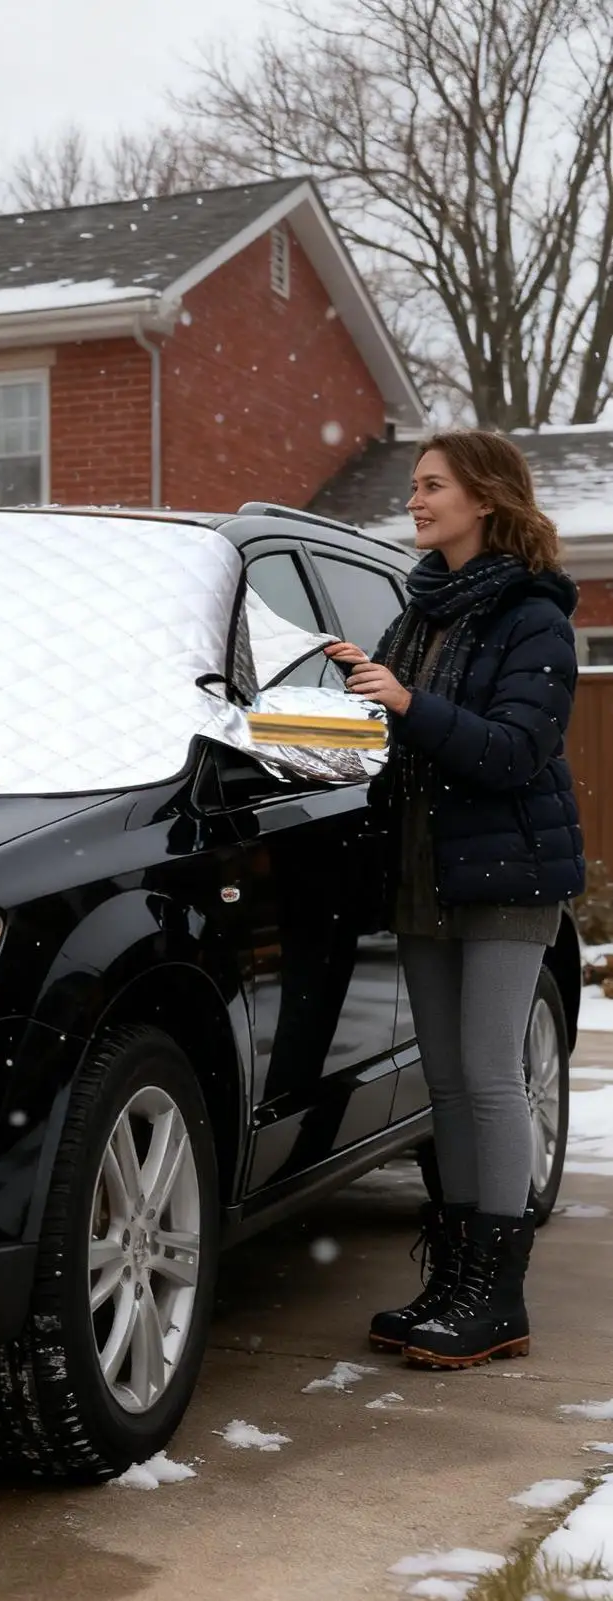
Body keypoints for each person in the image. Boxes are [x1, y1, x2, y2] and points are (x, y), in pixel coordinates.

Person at [324, 428, 583, 1372]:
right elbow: (406, 737)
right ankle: (456, 1276)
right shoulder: (419, 612)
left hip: (509, 874)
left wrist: (404, 702)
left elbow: (512, 751)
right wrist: (357, 696)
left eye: (431, 485)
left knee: (488, 1074)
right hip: (424, 872)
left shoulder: (534, 618)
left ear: (484, 497)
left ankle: (498, 1298)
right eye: (413, 485)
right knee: (443, 1083)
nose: (415, 500)